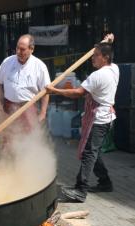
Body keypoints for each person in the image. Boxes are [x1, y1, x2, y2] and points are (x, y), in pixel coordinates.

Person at [46, 34, 117, 203]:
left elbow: (77, 93)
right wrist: (106, 42)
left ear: (105, 57)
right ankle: (105, 183)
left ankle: (80, 190)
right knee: (94, 151)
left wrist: (54, 90)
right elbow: (108, 53)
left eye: (96, 55)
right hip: (107, 117)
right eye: (93, 55)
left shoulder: (97, 76)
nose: (93, 58)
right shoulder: (114, 68)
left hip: (99, 120)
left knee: (88, 153)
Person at [0, 34, 50, 141]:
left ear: (31, 49)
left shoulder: (39, 66)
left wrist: (43, 112)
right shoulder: (7, 62)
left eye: (22, 49)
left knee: (27, 139)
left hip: (27, 108)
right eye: (17, 48)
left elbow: (46, 91)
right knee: (8, 138)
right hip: (8, 107)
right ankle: (8, 158)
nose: (18, 52)